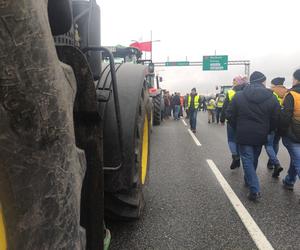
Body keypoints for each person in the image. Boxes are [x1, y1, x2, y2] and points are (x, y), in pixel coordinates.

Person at [227, 71, 280, 201]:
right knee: (253, 158)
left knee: (247, 159)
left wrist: (237, 127)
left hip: (243, 134)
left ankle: (254, 189)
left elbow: (230, 115)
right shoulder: (271, 97)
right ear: (262, 82)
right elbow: (276, 118)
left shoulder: (239, 96)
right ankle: (250, 182)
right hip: (261, 134)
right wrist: (268, 129)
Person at [220, 76, 247, 169]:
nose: (233, 82)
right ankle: (240, 160)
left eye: (234, 81)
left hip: (232, 120)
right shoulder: (247, 91)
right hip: (243, 121)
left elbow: (225, 107)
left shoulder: (231, 92)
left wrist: (222, 119)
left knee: (231, 140)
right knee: (239, 140)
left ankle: (235, 156)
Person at [280, 69, 300, 191]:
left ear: (296, 80)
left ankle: (290, 180)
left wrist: (281, 132)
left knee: (298, 160)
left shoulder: (291, 95)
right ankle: (289, 180)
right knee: (296, 157)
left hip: (294, 134)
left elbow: (285, 116)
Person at [264, 77, 287, 178]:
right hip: (281, 124)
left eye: (271, 84)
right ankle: (270, 163)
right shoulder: (287, 93)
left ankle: (276, 164)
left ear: (274, 85)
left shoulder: (271, 93)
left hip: (272, 123)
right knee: (275, 143)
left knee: (268, 145)